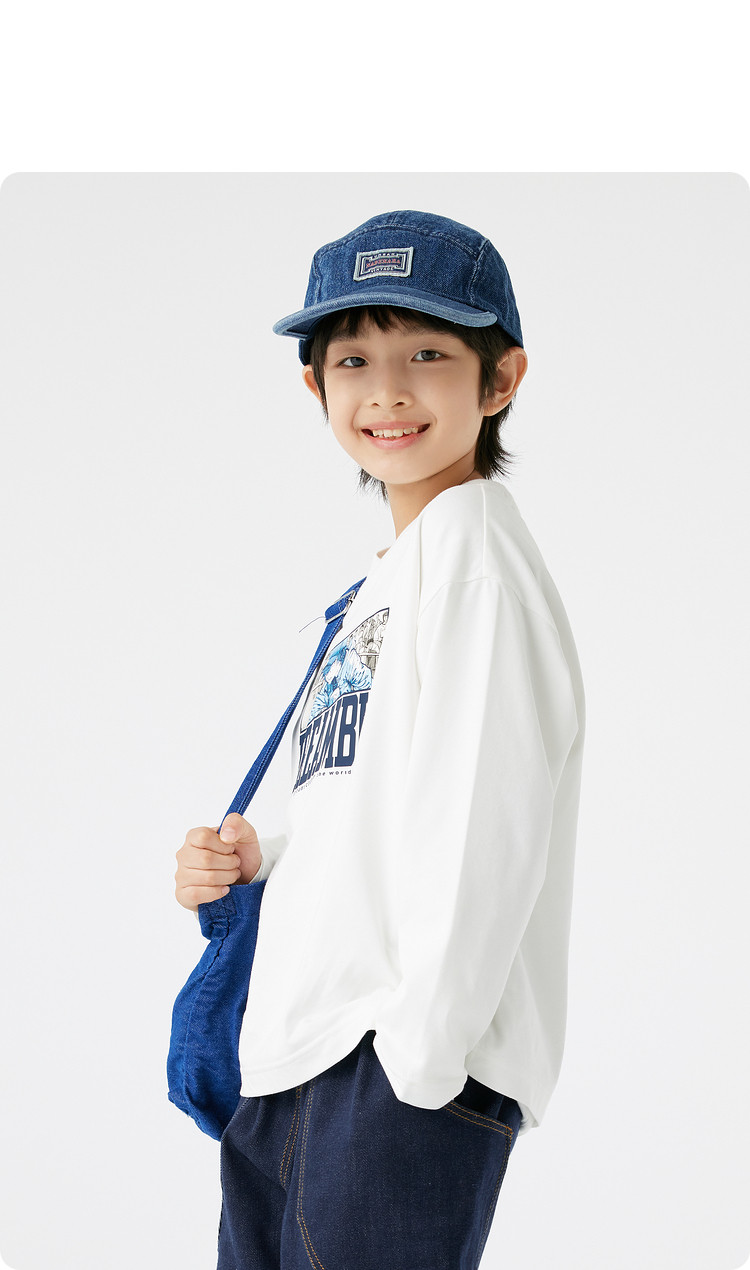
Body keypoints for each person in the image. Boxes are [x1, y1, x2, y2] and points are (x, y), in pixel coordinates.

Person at [174, 209, 586, 1269]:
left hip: (385, 1070)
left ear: (500, 379)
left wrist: (422, 1057)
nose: (388, 391)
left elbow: (486, 822)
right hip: (299, 1060)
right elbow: (376, 804)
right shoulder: (390, 581)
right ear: (315, 387)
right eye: (354, 359)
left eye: (428, 355)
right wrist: (263, 858)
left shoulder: (473, 564)